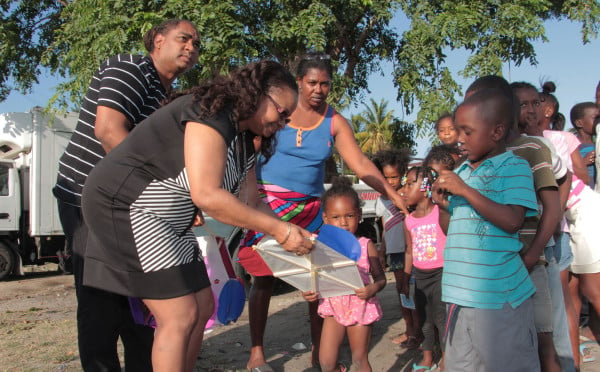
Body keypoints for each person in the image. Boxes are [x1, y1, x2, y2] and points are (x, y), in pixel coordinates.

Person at [80, 60, 315, 372]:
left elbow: (253, 203)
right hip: (126, 206)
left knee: (203, 305)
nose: (283, 122)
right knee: (179, 315)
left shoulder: (243, 138)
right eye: (281, 112)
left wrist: (288, 229)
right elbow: (207, 196)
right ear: (257, 94)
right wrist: (279, 231)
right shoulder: (212, 111)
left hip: (169, 219)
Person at [236, 52, 406, 371]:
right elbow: (250, 149)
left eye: (324, 83)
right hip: (269, 203)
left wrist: (390, 191)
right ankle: (256, 353)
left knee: (319, 278)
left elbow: (358, 163)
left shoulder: (334, 121)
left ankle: (319, 353)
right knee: (264, 277)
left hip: (312, 207)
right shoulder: (278, 110)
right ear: (299, 82)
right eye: (312, 82)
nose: (318, 89)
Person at [53, 19, 200, 371]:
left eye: (197, 44)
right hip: (90, 199)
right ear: (158, 39)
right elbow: (108, 131)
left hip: (133, 207)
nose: (192, 48)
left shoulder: (166, 97)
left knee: (140, 300)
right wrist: (167, 193)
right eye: (184, 39)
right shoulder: (131, 67)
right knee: (101, 303)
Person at [433, 88, 540, 371]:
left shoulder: (515, 168)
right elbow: (451, 228)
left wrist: (465, 191)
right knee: (462, 366)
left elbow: (512, 221)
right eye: (457, 131)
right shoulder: (462, 171)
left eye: (467, 132)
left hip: (497, 297)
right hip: (458, 293)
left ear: (496, 131)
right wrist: (443, 205)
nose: (459, 139)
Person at [301, 176, 386, 372]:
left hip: (360, 307)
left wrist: (372, 288)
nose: (343, 223)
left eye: (349, 216)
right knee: (326, 363)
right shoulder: (319, 248)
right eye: (336, 217)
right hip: (333, 308)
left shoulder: (366, 246)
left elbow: (381, 279)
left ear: (359, 214)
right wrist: (308, 292)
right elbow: (311, 279)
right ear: (325, 218)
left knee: (359, 360)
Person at [400, 166, 448, 371]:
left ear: (426, 187)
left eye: (410, 183)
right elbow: (410, 250)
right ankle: (427, 357)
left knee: (442, 319)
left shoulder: (441, 213)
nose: (404, 189)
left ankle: (447, 358)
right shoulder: (408, 221)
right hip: (420, 276)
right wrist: (405, 277)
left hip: (441, 274)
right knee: (424, 320)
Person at [371, 150, 419, 348]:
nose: (390, 181)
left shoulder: (409, 195)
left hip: (412, 250)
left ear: (402, 174)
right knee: (402, 290)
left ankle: (418, 331)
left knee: (413, 290)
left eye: (394, 177)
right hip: (395, 252)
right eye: (385, 177)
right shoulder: (382, 200)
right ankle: (410, 330)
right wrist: (382, 252)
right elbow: (384, 227)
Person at [571, 102, 599, 189]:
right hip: (581, 194)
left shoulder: (597, 145)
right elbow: (565, 170)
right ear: (579, 123)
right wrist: (583, 162)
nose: (598, 122)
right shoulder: (572, 147)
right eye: (596, 118)